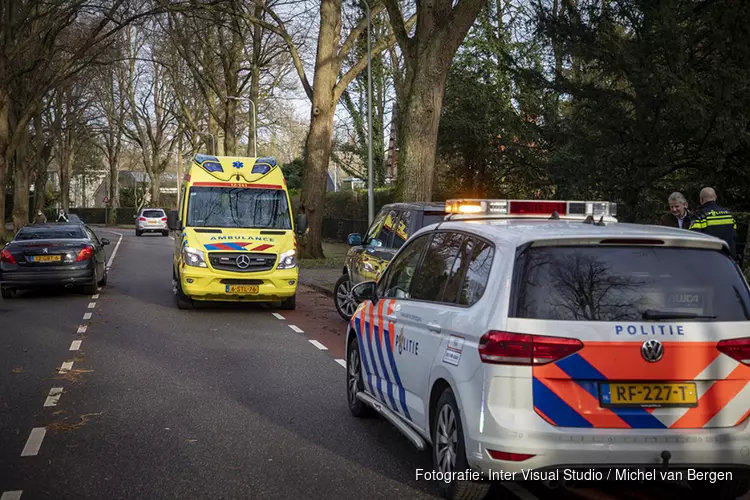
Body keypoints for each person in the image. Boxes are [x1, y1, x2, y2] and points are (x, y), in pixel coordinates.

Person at [690, 187, 738, 258]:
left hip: (709, 258)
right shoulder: (728, 214)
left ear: (701, 200)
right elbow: (734, 236)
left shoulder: (699, 215)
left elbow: (693, 237)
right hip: (728, 258)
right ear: (715, 197)